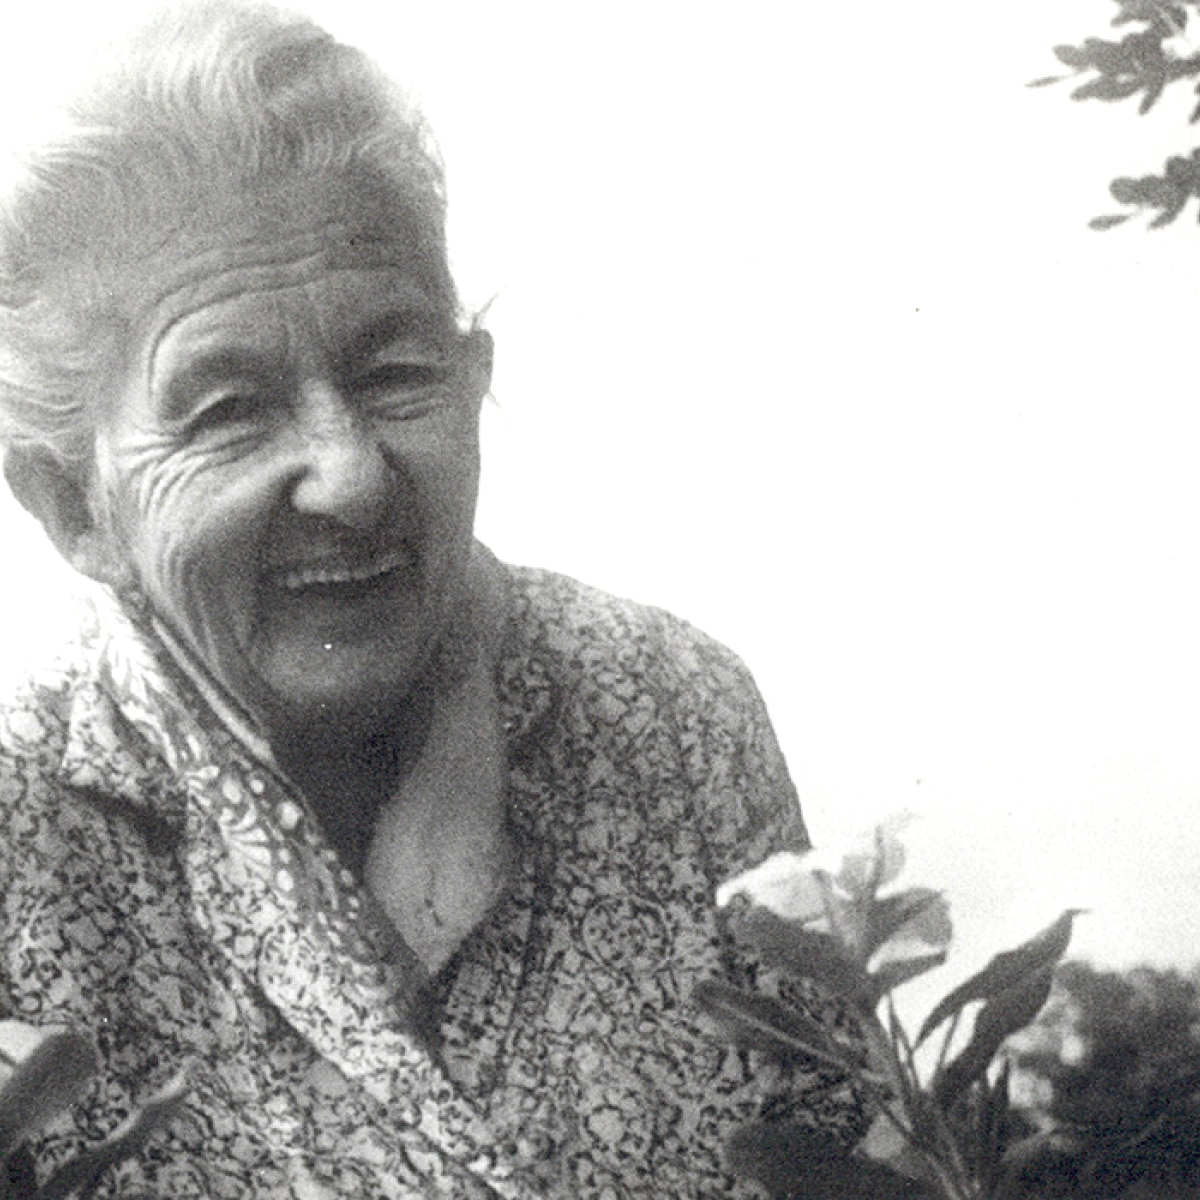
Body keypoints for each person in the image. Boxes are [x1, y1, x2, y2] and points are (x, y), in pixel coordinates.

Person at [0, 4, 858, 1196]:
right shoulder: (20, 824)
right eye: (228, 409)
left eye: (394, 370)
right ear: (71, 507)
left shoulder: (672, 713)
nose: (349, 478)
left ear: (474, 380)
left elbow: (848, 1151)